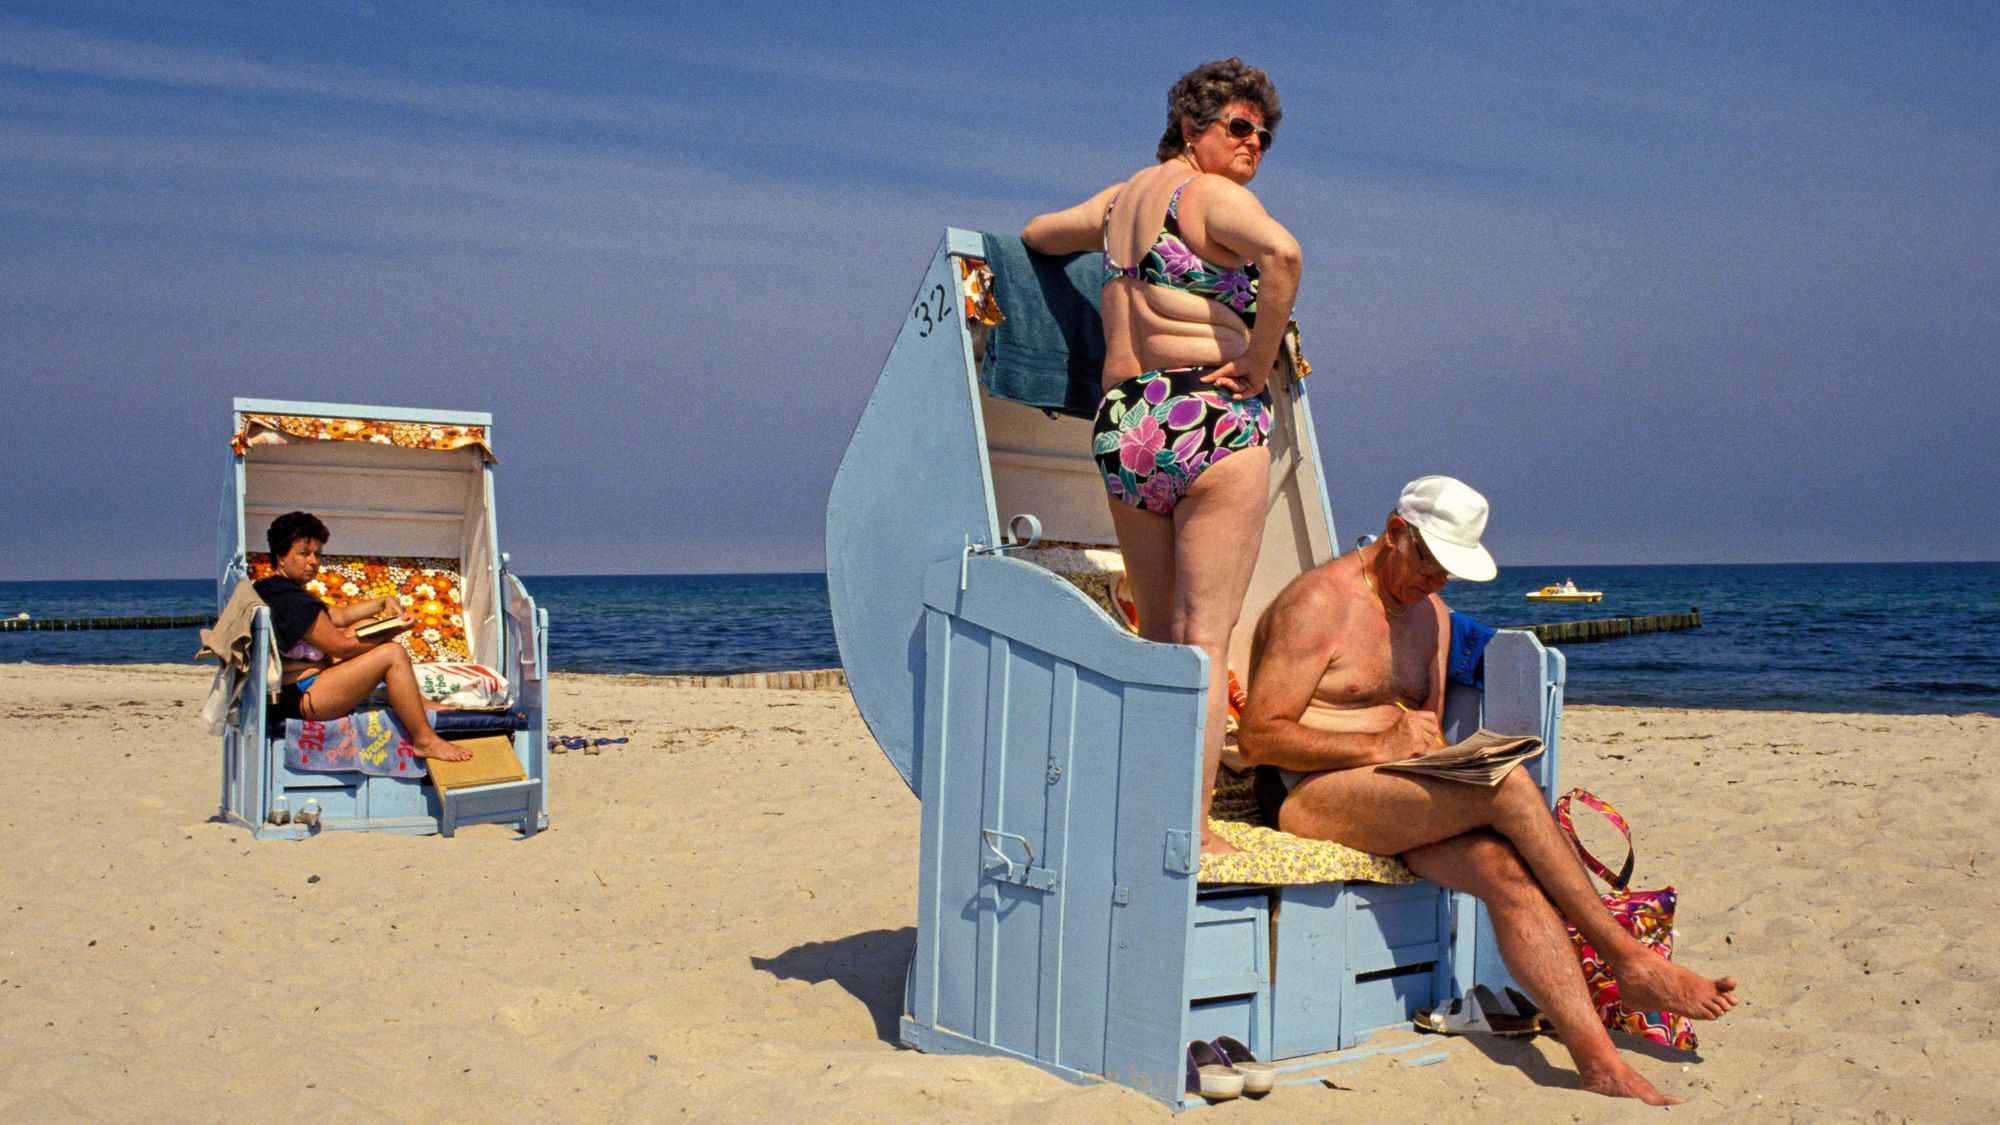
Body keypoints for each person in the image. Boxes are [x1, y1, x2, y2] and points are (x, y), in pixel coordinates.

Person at [1238, 476, 1737, 1105]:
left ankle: (1596, 1058)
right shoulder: (1319, 603)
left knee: (1505, 869)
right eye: (1433, 566)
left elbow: (1423, 727)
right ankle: (1629, 961)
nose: (1438, 584)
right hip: (1305, 794)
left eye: (1451, 573)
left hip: (1389, 798)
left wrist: (1438, 757)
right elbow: (1259, 736)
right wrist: (1377, 746)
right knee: (1509, 789)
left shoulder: (1434, 616)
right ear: (1396, 533)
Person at [1022, 58, 1303, 855]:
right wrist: (1257, 355)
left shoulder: (1119, 204)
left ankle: (1145, 802)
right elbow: (1283, 256)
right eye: (1238, 127)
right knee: (1205, 638)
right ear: (1191, 128)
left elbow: (1041, 234)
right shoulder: (1213, 197)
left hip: (1128, 422)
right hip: (1209, 413)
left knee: (1159, 638)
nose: (1254, 144)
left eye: (1265, 135)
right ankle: (1197, 823)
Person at [253, 511, 471, 762]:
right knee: (392, 654)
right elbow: (341, 648)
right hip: (303, 697)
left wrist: (382, 603)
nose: (313, 561)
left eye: (317, 554)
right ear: (280, 557)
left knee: (367, 624)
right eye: (304, 553)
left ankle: (417, 702)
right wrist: (393, 629)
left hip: (306, 683)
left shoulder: (277, 588)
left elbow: (339, 617)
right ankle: (424, 740)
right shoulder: (290, 600)